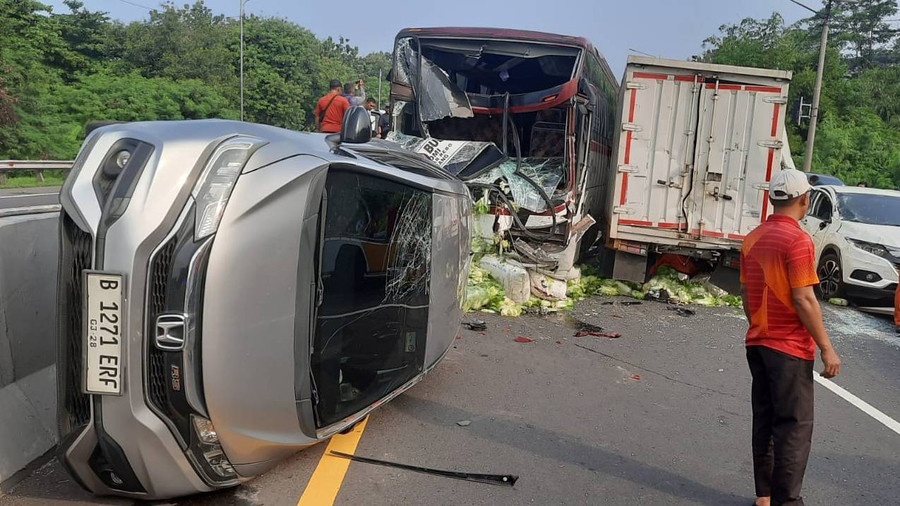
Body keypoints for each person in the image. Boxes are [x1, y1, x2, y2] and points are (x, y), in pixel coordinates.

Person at [740, 168, 841, 506]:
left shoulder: (752, 238)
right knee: (793, 428)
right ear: (804, 200)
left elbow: (745, 292)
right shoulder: (798, 240)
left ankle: (764, 496)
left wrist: (757, 326)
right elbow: (804, 298)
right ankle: (787, 501)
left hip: (757, 342)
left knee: (765, 421)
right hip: (789, 347)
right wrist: (827, 348)